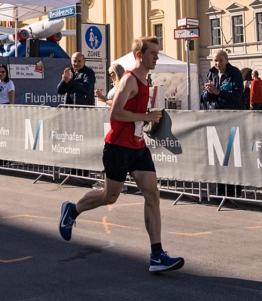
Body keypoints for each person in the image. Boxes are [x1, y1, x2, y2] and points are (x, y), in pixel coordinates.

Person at [59, 36, 184, 274]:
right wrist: (146, 117)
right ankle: (72, 210)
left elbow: (134, 112)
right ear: (140, 55)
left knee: (152, 194)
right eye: (153, 53)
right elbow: (115, 113)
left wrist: (150, 114)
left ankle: (157, 254)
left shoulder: (145, 80)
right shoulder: (129, 79)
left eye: (158, 53)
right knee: (109, 196)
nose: (156, 57)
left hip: (137, 146)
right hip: (117, 147)